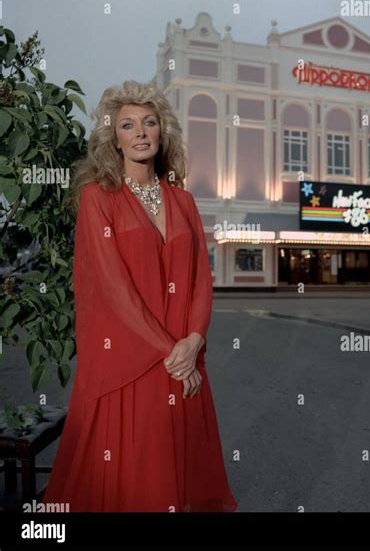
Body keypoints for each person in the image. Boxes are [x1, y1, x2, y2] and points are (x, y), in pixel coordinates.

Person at [41, 80, 238, 512]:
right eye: (127, 125)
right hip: (131, 361)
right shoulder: (99, 199)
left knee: (177, 479)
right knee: (132, 483)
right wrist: (172, 352)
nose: (141, 132)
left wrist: (194, 342)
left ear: (163, 131)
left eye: (149, 122)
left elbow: (201, 282)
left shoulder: (183, 200)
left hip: (183, 358)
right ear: (114, 137)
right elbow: (113, 289)